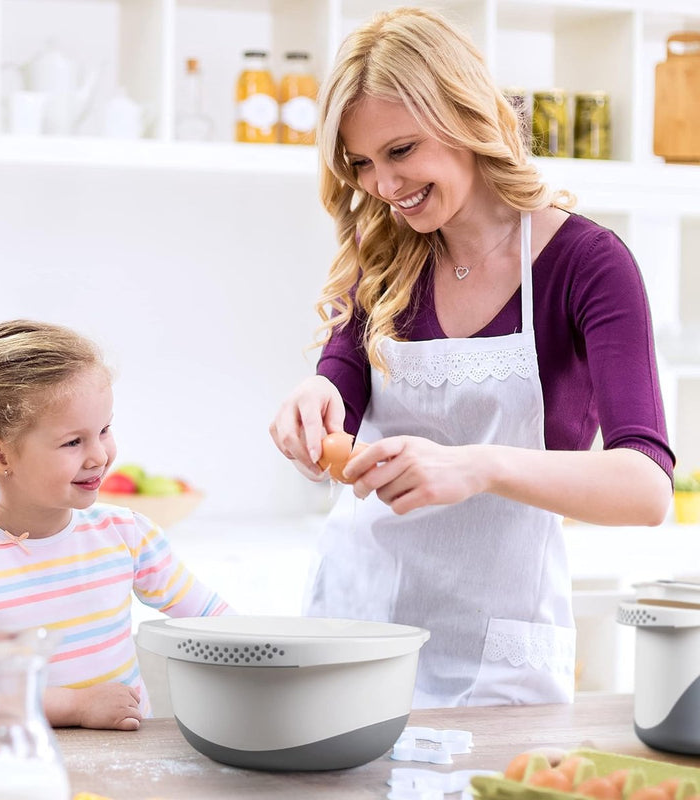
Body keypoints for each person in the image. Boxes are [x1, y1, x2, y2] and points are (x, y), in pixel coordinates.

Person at [270, 7, 674, 708]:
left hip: (497, 663)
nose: (384, 187)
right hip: (356, 636)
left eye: (401, 151)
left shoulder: (586, 265)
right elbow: (340, 384)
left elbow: (646, 488)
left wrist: (477, 466)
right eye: (361, 163)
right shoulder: (386, 258)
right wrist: (312, 403)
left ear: (465, 117)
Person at [0, 319, 231, 730]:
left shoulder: (126, 535)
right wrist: (74, 706)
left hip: (125, 775)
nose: (99, 456)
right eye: (73, 442)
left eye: (105, 430)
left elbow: (216, 621)